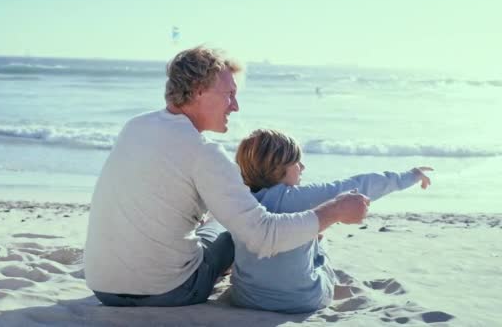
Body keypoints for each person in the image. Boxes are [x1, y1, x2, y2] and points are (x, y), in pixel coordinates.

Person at [83, 46, 371, 307]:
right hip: (170, 291)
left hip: (102, 287)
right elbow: (262, 236)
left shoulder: (136, 126)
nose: (235, 106)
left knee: (219, 217)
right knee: (231, 226)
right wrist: (334, 211)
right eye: (229, 94)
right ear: (197, 90)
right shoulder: (204, 152)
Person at [230, 129, 433, 313]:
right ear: (278, 168)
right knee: (319, 234)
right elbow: (360, 185)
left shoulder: (237, 200)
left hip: (246, 298)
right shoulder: (301, 197)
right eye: (296, 162)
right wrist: (410, 176)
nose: (303, 167)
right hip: (303, 300)